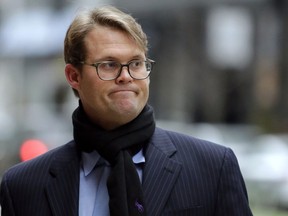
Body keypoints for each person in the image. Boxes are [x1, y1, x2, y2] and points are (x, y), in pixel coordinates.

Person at [0, 6, 253, 216]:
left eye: (136, 63)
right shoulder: (22, 187)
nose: (126, 76)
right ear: (73, 76)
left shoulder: (213, 168)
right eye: (109, 65)